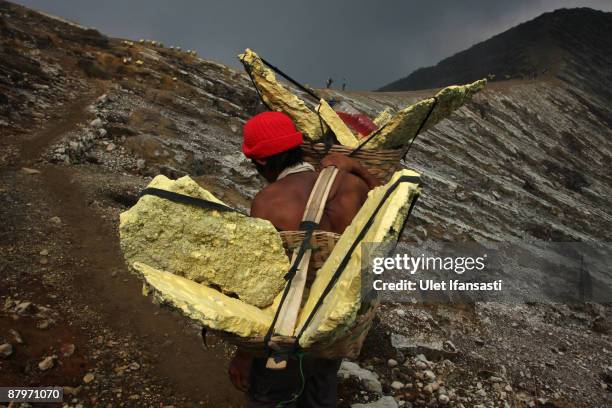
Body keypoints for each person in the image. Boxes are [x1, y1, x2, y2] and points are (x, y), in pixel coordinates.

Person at [229, 111, 380, 407]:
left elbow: (265, 282)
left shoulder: (267, 202)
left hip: (290, 333)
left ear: (260, 161)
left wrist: (244, 354)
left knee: (270, 396)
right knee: (320, 392)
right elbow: (388, 210)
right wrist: (357, 169)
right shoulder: (353, 186)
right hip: (336, 327)